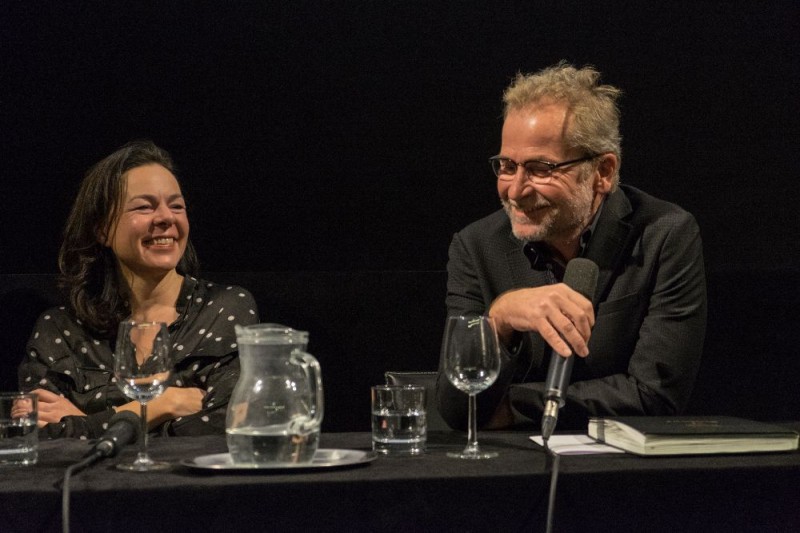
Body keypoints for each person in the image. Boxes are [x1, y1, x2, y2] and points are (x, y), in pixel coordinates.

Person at [436, 62, 707, 431]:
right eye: (507, 166)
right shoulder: (475, 246)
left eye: (540, 169)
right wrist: (497, 322)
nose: (515, 190)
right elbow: (456, 409)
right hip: (513, 460)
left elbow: (654, 395)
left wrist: (518, 403)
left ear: (603, 172)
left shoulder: (666, 235)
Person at [17, 140, 259, 439]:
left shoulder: (224, 308)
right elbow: (35, 439)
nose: (166, 218)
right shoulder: (59, 330)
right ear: (102, 230)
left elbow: (228, 425)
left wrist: (86, 424)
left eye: (176, 206)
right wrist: (163, 404)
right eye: (144, 207)